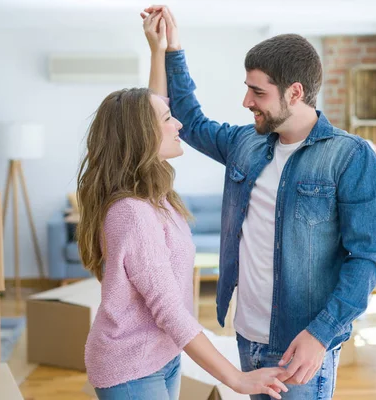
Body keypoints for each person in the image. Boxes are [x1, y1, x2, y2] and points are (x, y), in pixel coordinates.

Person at [142, 6, 376, 400]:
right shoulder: (245, 142)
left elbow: (367, 260)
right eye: (247, 87)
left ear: (295, 92)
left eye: (258, 92)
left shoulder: (350, 157)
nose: (246, 101)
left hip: (302, 345)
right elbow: (188, 117)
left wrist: (321, 334)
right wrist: (172, 49)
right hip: (247, 334)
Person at [77, 18, 289, 399]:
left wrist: (160, 50)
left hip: (162, 356)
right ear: (144, 137)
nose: (178, 122)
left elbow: (150, 107)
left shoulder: (149, 191)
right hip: (130, 368)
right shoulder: (133, 212)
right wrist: (235, 379)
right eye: (166, 119)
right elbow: (169, 310)